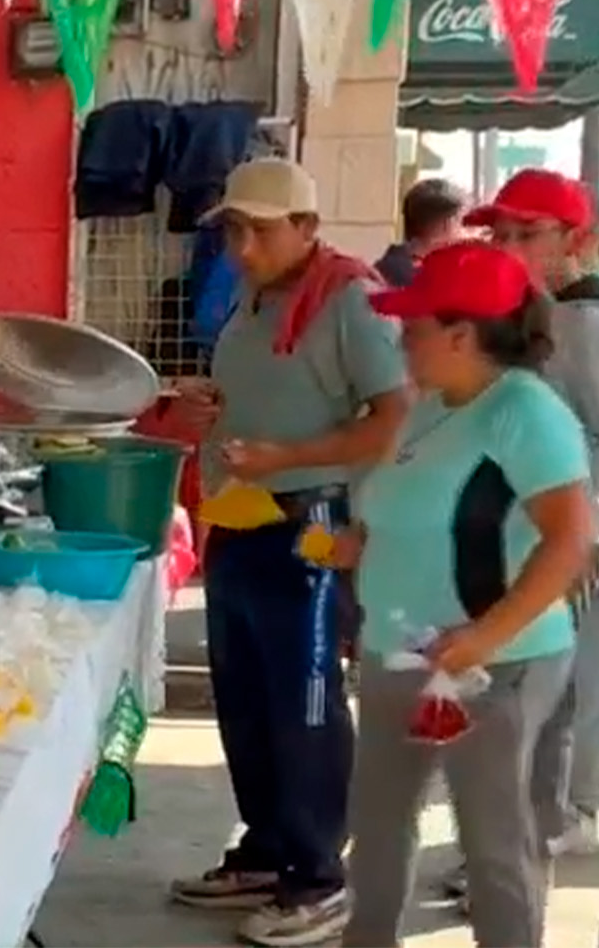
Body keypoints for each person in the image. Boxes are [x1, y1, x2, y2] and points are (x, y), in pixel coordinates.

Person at [166, 159, 411, 946]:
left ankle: (320, 873)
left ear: (306, 228)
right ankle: (267, 848)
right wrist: (207, 400)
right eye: (234, 230)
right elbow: (268, 382)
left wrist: (292, 456)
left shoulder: (352, 298)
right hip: (241, 518)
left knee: (305, 701)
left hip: (308, 520)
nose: (241, 246)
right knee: (244, 693)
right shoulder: (256, 293)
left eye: (259, 231)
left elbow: (392, 416)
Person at [340, 242, 592, 948]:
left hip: (492, 664)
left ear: (462, 334)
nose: (401, 338)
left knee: (494, 841)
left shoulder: (526, 413)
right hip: (401, 648)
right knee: (379, 823)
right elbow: (399, 497)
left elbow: (568, 541)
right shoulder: (430, 404)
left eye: (413, 326)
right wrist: (362, 538)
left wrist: (485, 637)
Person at [476, 169, 599, 866]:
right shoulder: (534, 316)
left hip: (571, 543)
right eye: (500, 233)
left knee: (564, 693)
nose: (509, 246)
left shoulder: (583, 320)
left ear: (576, 239)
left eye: (528, 233)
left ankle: (557, 821)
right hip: (528, 536)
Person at [376, 178, 468, 288]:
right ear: (447, 224)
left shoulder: (385, 267)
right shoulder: (429, 280)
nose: (464, 231)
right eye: (462, 222)